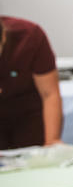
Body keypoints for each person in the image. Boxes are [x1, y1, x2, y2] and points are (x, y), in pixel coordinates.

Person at [0, 16, 63, 148]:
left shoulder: (30, 36)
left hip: (28, 113)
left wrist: (52, 141)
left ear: (4, 38)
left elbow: (49, 94)